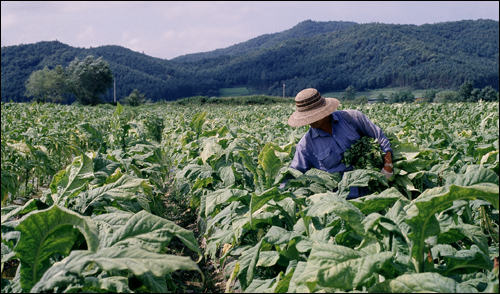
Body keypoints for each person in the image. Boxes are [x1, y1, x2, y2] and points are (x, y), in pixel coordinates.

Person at [285, 88, 393, 199]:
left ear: (323, 110)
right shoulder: (305, 145)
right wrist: (281, 194)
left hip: (372, 190)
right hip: (340, 200)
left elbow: (380, 138)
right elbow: (294, 173)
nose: (309, 121)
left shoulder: (352, 118)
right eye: (306, 118)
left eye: (312, 116)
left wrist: (387, 167)